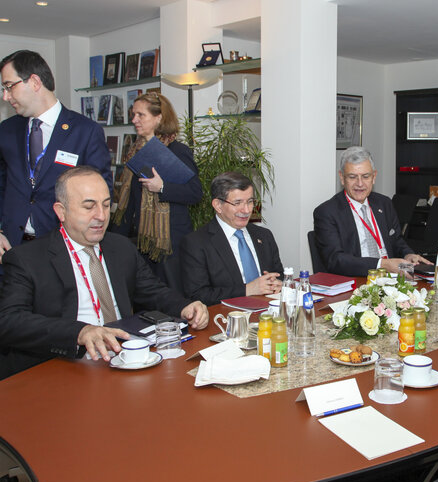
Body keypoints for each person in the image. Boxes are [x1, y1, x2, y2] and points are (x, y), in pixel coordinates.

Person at [0, 166, 209, 380]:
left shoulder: (121, 247)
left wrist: (184, 305)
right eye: (89, 207)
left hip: (126, 359)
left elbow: (152, 290)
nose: (101, 216)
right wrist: (79, 332)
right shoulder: (28, 258)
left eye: (106, 205)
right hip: (66, 366)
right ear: (61, 211)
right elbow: (9, 321)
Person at [0, 49, 111, 259]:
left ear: (34, 82)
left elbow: (101, 193)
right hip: (12, 248)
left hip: (62, 250)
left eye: (8, 87)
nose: (5, 96)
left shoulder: (85, 131)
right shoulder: (6, 130)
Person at [110, 92, 202, 279]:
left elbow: (195, 193)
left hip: (168, 244)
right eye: (133, 114)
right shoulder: (135, 150)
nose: (134, 119)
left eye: (140, 115)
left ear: (159, 118)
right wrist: (115, 240)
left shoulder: (177, 150)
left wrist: (162, 187)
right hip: (141, 241)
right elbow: (129, 201)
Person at [313, 146, 430, 276]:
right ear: (342, 178)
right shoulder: (327, 212)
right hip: (357, 282)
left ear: (374, 176)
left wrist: (408, 255)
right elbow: (335, 261)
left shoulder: (384, 203)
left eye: (365, 176)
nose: (360, 184)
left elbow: (396, 241)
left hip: (392, 280)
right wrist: (382, 265)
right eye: (352, 177)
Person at [180, 172, 284, 305]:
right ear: (218, 205)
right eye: (237, 203)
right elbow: (198, 295)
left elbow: (279, 274)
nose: (246, 210)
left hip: (269, 313)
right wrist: (247, 290)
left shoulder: (264, 235)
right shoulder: (196, 243)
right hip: (227, 318)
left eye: (250, 202)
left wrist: (278, 284)